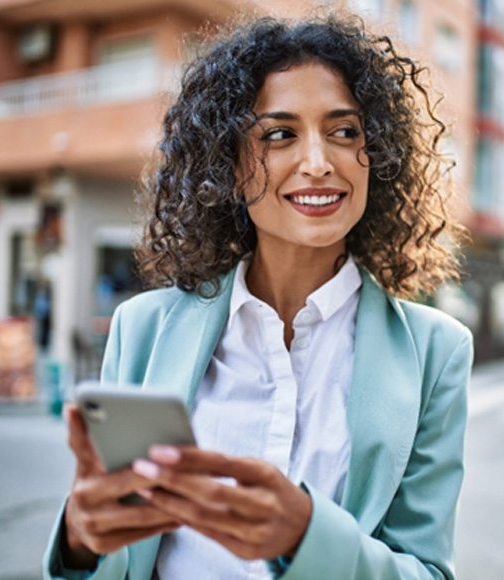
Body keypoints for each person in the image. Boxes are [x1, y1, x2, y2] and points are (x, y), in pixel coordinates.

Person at [44, 14, 474, 580]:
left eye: (345, 131)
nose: (318, 162)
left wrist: (308, 538)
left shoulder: (436, 352)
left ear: (379, 153)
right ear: (228, 161)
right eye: (279, 134)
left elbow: (427, 571)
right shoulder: (142, 328)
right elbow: (115, 550)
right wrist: (80, 539)